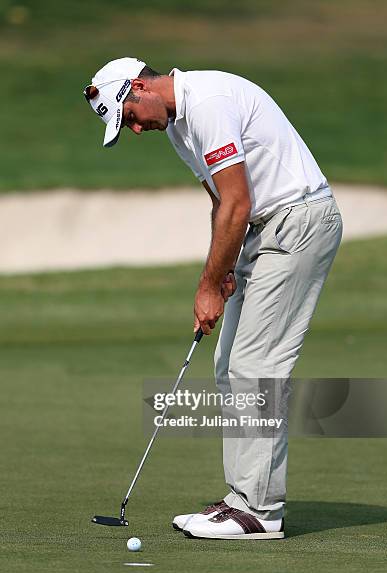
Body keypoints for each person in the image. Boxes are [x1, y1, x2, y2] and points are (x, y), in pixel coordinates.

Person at [83, 57, 343, 540]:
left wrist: (206, 285)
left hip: (298, 223)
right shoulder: (181, 128)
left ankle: (261, 511)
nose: (136, 130)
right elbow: (222, 203)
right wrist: (220, 272)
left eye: (131, 118)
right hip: (263, 232)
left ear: (139, 87)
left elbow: (239, 202)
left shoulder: (209, 103)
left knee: (256, 366)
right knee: (229, 365)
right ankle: (242, 499)